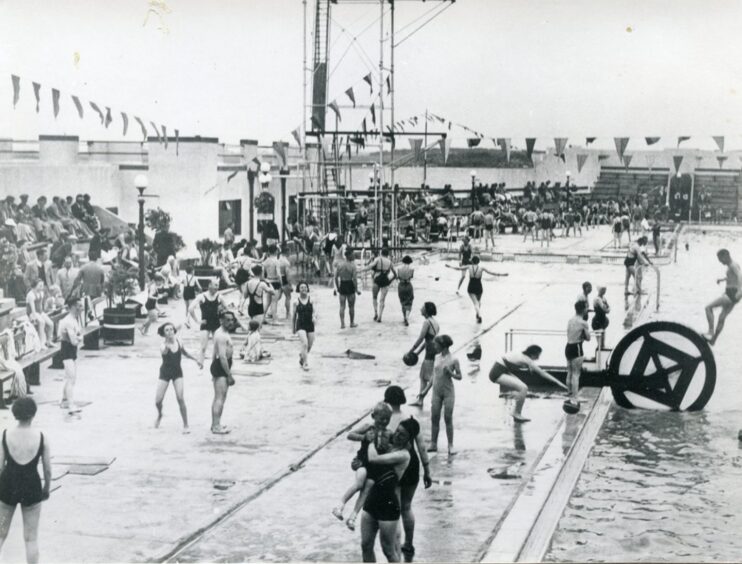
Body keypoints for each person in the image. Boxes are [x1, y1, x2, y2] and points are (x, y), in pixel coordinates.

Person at [0, 397, 52, 564]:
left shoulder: (6, 434)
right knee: (31, 538)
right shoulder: (41, 436)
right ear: (33, 414)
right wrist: (46, 488)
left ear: (15, 413)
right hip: (31, 487)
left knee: (1, 532)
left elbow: (0, 466)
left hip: (8, 486)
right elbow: (48, 469)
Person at [383, 386, 431, 563]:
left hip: (393, 466)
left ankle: (395, 549)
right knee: (407, 507)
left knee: (394, 509)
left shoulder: (385, 421)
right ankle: (408, 543)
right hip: (411, 465)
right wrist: (427, 470)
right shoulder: (411, 419)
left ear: (387, 400)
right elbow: (422, 448)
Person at [359, 418, 418, 563]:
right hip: (372, 500)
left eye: (402, 435)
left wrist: (370, 441)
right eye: (397, 431)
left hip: (388, 505)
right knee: (365, 545)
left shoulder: (404, 455)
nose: (397, 435)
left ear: (409, 439)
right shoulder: (389, 445)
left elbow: (373, 459)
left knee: (388, 550)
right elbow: (353, 435)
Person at [333, 402, 393, 532]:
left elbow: (394, 446)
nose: (384, 421)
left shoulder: (389, 433)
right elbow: (350, 435)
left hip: (375, 467)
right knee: (359, 483)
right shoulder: (368, 427)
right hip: (362, 462)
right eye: (381, 418)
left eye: (387, 419)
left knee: (367, 489)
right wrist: (364, 437)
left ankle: (353, 517)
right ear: (373, 416)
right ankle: (340, 505)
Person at [489, 345, 567, 422]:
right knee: (523, 388)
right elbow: (542, 373)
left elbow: (513, 360)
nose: (538, 357)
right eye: (538, 355)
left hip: (503, 370)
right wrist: (559, 383)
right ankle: (516, 413)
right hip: (497, 373)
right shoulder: (526, 359)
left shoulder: (522, 354)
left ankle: (516, 410)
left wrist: (529, 367)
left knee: (521, 387)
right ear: (533, 354)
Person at [154, 322, 201, 433]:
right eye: (167, 330)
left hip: (177, 373)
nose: (170, 332)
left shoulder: (179, 342)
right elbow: (164, 351)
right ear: (164, 334)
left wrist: (196, 360)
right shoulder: (162, 345)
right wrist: (167, 345)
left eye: (171, 329)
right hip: (165, 373)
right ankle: (160, 414)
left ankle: (186, 425)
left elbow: (185, 353)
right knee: (158, 401)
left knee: (180, 398)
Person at [420, 335, 461, 456]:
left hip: (448, 392)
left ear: (443, 345)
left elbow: (460, 376)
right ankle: (433, 443)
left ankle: (450, 445)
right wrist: (425, 390)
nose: (434, 346)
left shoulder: (454, 359)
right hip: (436, 392)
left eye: (436, 344)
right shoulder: (436, 357)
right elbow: (434, 376)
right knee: (435, 417)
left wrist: (451, 374)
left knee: (448, 418)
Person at [445, 256, 508, 323]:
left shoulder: (469, 266)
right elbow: (491, 272)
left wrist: (450, 266)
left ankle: (479, 315)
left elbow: (458, 268)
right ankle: (478, 314)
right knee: (478, 302)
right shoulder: (481, 268)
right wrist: (502, 274)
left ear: (472, 261)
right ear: (478, 262)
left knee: (475, 303)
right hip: (479, 286)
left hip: (471, 286)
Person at [704, 248, 741, 345]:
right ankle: (713, 340)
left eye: (721, 259)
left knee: (708, 307)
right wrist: (722, 279)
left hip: (731, 293)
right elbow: (733, 277)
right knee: (721, 317)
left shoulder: (732, 265)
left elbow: (740, 276)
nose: (720, 262)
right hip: (734, 295)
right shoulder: (733, 265)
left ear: (726, 256)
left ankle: (711, 331)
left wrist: (740, 291)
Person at [187, 280, 227, 366]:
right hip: (205, 323)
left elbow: (226, 309)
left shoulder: (220, 296)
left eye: (217, 286)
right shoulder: (201, 296)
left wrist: (221, 314)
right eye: (215, 285)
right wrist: (197, 321)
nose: (217, 287)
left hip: (216, 323)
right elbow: (190, 308)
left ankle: (215, 365)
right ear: (209, 285)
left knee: (217, 347)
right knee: (203, 347)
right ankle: (200, 365)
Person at [408, 302, 439, 408]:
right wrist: (417, 352)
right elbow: (428, 341)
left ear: (426, 310)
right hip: (433, 351)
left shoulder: (426, 322)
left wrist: (411, 350)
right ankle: (420, 400)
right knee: (424, 376)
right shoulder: (435, 322)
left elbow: (421, 338)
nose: (420, 308)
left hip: (430, 353)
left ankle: (427, 396)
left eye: (422, 307)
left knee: (429, 377)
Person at [210, 311, 235, 434]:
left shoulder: (222, 332)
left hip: (219, 366)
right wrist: (229, 375)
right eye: (228, 320)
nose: (231, 322)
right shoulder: (221, 335)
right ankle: (215, 426)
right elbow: (222, 356)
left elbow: (214, 353)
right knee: (220, 398)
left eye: (232, 320)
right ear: (221, 321)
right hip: (221, 366)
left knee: (219, 398)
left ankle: (215, 423)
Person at [58, 297, 83, 416]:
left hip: (72, 352)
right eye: (79, 306)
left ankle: (63, 400)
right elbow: (74, 340)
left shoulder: (74, 319)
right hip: (67, 351)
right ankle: (71, 405)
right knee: (71, 379)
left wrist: (78, 338)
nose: (81, 308)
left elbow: (77, 336)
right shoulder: (67, 321)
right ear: (73, 306)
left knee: (71, 377)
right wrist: (79, 338)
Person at [565, 301, 591, 410]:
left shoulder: (570, 320)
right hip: (577, 348)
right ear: (583, 309)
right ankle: (575, 398)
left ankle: (570, 394)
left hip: (568, 347)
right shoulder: (583, 323)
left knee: (570, 372)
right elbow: (588, 338)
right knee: (576, 374)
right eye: (586, 307)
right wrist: (583, 336)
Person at [362, 248, 397, 323]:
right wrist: (390, 280)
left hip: (377, 279)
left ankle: (375, 313)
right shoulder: (389, 262)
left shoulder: (377, 259)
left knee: (374, 297)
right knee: (382, 300)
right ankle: (380, 316)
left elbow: (369, 267)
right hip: (385, 280)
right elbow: (395, 274)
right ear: (387, 254)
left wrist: (361, 270)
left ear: (381, 253)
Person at [292, 282, 316, 371]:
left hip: (310, 324)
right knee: (304, 343)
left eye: (305, 287)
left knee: (309, 346)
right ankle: (305, 363)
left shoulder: (311, 300)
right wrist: (293, 329)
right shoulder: (296, 302)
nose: (303, 289)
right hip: (300, 324)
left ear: (307, 288)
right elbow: (294, 316)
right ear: (298, 289)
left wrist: (314, 317)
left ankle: (302, 356)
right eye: (301, 287)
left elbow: (314, 311)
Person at [26, 280, 54, 350]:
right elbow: (32, 309)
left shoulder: (41, 293)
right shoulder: (30, 295)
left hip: (40, 312)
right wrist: (34, 318)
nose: (42, 287)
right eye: (40, 286)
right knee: (42, 322)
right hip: (32, 312)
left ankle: (49, 341)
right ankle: (42, 343)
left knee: (51, 324)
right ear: (35, 286)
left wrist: (44, 313)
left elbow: (41, 306)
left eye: (42, 285)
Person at [396, 256, 415, 326]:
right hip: (408, 285)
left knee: (402, 301)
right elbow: (411, 277)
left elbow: (398, 277)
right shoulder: (411, 269)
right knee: (409, 301)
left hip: (400, 285)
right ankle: (407, 317)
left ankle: (404, 317)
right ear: (410, 262)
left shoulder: (399, 269)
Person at [278, 244, 293, 320]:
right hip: (284, 280)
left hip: (277, 279)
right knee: (288, 297)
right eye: (289, 252)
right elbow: (288, 275)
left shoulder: (278, 260)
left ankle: (271, 312)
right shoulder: (286, 262)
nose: (290, 254)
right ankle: (288, 313)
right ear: (286, 252)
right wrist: (290, 285)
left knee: (276, 297)